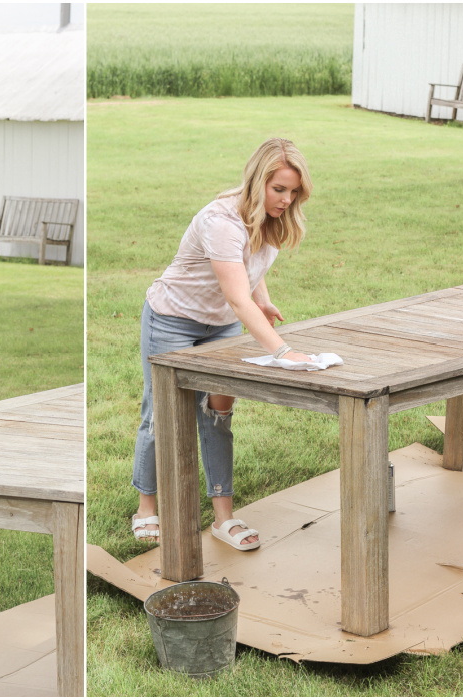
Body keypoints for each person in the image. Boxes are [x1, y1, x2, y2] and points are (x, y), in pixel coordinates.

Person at [130, 137, 312, 551]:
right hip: (172, 319)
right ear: (257, 181)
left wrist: (262, 298)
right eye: (278, 189)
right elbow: (235, 294)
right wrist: (282, 351)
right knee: (160, 414)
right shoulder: (221, 220)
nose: (286, 199)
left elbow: (246, 268)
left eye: (294, 191)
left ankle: (224, 518)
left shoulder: (269, 217)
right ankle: (145, 508)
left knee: (219, 413)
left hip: (222, 325)